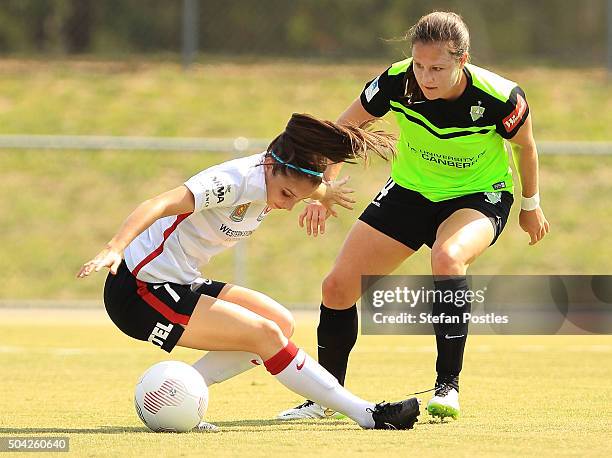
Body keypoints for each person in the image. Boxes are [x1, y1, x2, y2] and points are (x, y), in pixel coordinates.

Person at [278, 11, 550, 422]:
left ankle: (448, 386)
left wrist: (530, 205)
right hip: (409, 194)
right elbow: (343, 130)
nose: (426, 76)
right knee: (336, 288)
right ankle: (325, 399)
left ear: (463, 60)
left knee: (447, 258)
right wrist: (323, 190)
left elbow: (525, 147)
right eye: (420, 65)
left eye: (438, 67)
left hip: (478, 195)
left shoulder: (501, 96)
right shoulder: (396, 81)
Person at [77, 113, 421, 431]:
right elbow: (159, 203)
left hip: (180, 280)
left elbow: (312, 186)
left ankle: (176, 393)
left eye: (296, 199)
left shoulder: (287, 177)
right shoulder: (232, 181)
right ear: (271, 164)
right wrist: (115, 247)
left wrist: (324, 196)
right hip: (138, 290)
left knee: (280, 322)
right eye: (286, 194)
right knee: (265, 334)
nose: (286, 205)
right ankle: (367, 414)